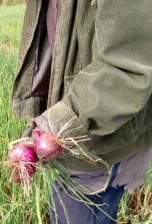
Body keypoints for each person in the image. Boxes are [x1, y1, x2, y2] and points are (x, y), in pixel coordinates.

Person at [11, 0, 152, 223]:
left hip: (99, 135)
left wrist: (61, 122)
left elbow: (127, 65)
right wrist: (40, 104)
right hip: (71, 127)